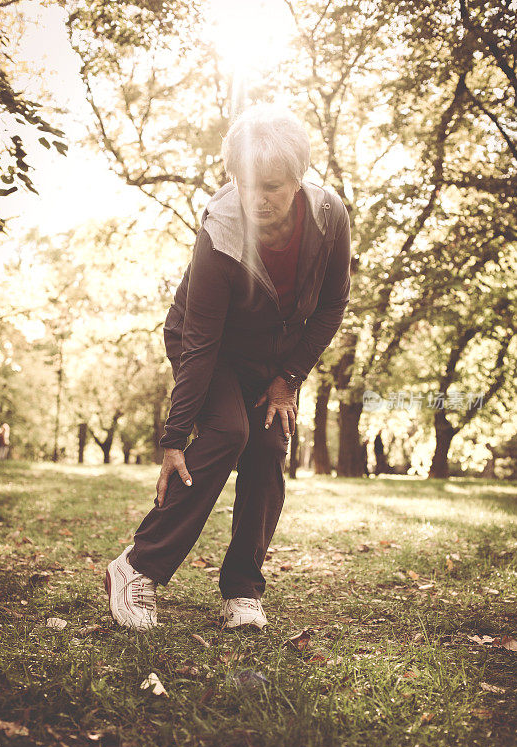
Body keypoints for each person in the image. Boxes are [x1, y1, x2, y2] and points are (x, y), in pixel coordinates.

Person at [105, 104, 352, 630]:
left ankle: (242, 589)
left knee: (266, 446)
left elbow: (332, 305)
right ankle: (137, 566)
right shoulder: (219, 234)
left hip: (274, 357)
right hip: (208, 346)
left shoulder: (330, 217)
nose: (258, 199)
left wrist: (288, 380)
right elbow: (199, 341)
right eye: (246, 184)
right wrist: (174, 440)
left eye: (273, 187)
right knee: (228, 432)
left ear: (298, 181)